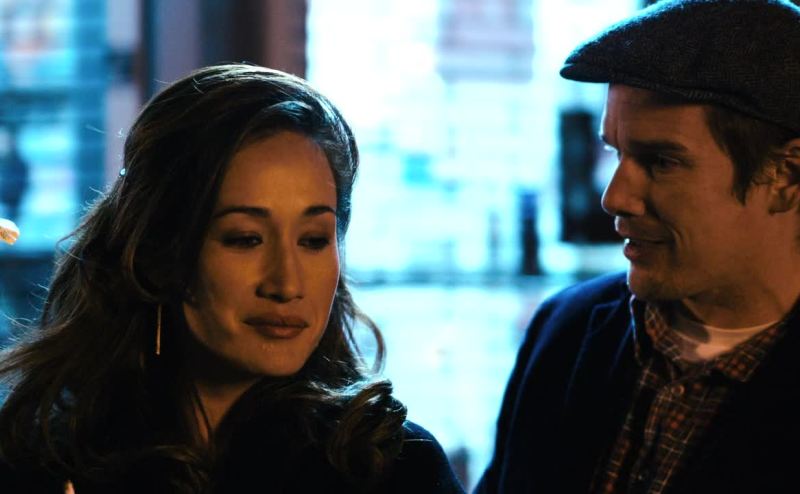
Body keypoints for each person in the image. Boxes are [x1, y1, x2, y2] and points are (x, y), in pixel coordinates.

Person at [0, 63, 465, 494]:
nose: (287, 284)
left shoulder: (393, 468)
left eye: (313, 240)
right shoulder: (45, 461)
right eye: (245, 239)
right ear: (160, 252)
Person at [477, 1, 800, 493]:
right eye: (616, 152)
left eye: (661, 162)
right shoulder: (567, 328)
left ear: (786, 177)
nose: (614, 197)